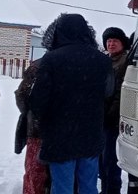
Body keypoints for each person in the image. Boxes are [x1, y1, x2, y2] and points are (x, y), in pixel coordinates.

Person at [29, 14, 113, 194]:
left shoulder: (51, 59)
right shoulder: (103, 61)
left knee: (62, 187)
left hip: (59, 136)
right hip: (90, 133)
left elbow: (38, 101)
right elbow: (108, 93)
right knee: (89, 186)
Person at [100, 27, 130, 194]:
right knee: (101, 160)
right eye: (109, 41)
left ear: (122, 43)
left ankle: (112, 190)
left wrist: (111, 113)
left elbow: (121, 91)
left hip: (113, 119)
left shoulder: (125, 62)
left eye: (115, 41)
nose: (111, 44)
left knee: (111, 159)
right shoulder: (105, 60)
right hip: (101, 117)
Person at [15, 60, 49, 194]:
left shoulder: (38, 65)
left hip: (37, 128)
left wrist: (30, 112)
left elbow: (22, 94)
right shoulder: (73, 63)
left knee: (35, 170)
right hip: (64, 129)